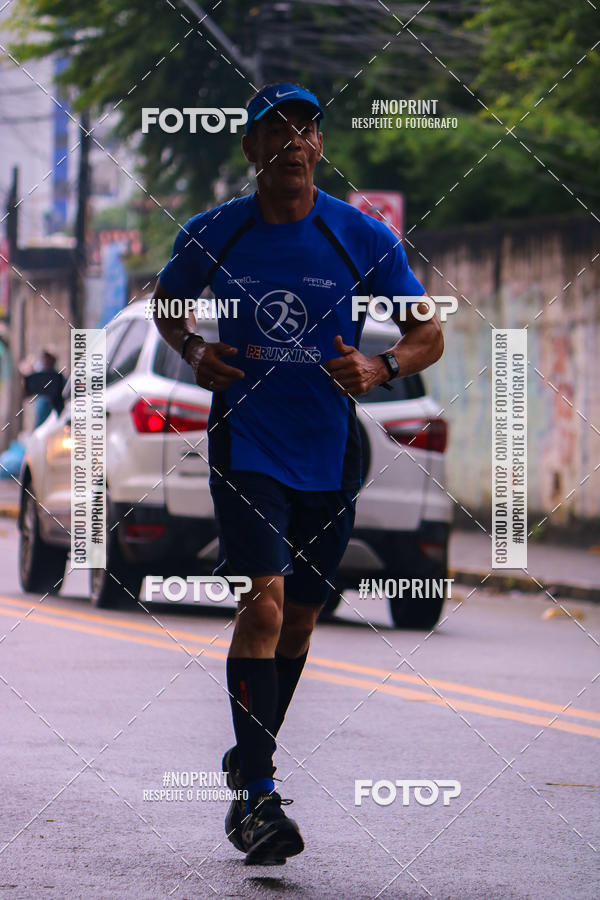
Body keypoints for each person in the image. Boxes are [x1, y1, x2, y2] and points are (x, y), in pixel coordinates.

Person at [152, 82, 444, 865]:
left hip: (331, 447)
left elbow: (428, 334)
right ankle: (257, 797)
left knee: (305, 618)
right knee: (267, 605)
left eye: (305, 129)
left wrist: (382, 367)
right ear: (250, 149)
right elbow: (166, 303)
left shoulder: (361, 235)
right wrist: (193, 351)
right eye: (274, 131)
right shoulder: (217, 231)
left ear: (319, 145)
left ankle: (250, 765)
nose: (291, 142)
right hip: (247, 440)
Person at [20, 347, 65, 427]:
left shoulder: (57, 378)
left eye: (48, 359)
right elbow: (25, 391)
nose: (45, 361)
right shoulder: (38, 377)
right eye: (44, 359)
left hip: (54, 414)